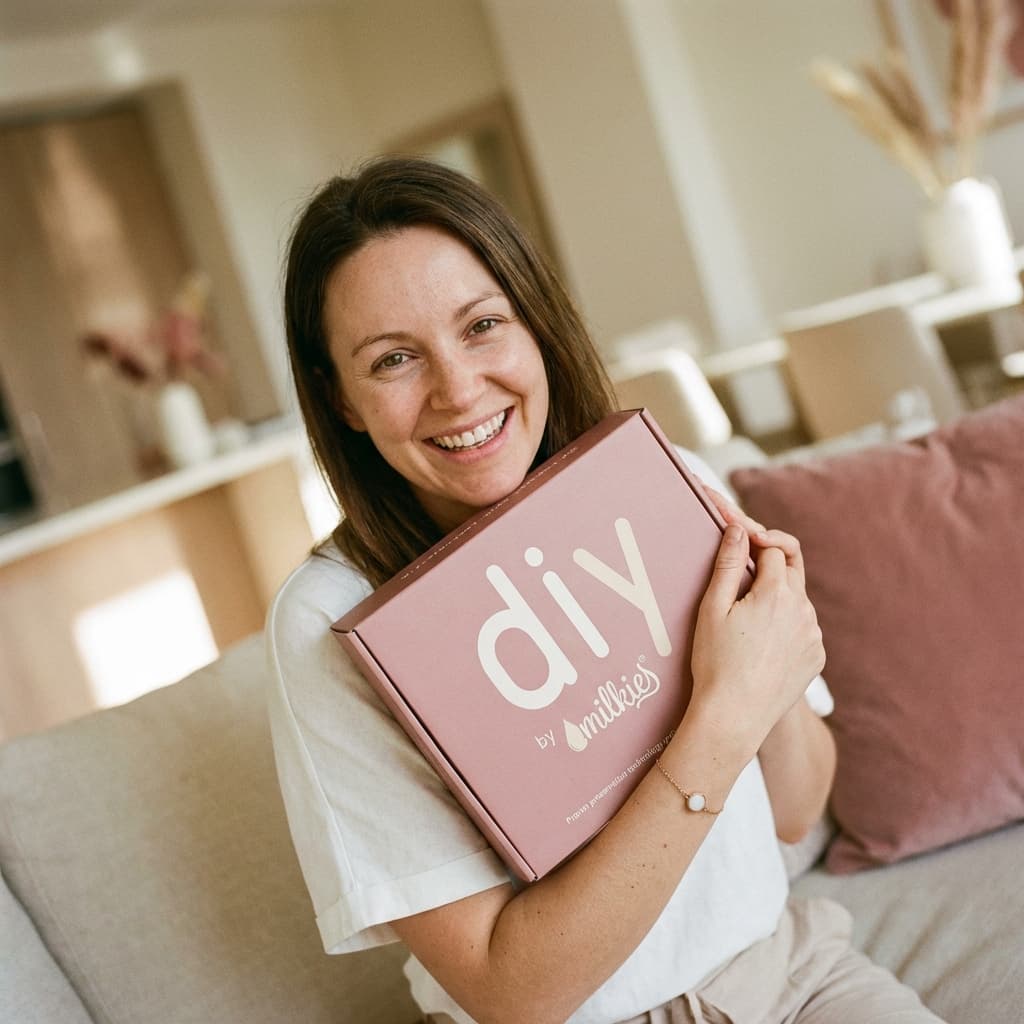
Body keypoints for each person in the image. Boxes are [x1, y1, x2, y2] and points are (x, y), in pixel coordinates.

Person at [266, 157, 944, 1023]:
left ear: (537, 323)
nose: (458, 389)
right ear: (344, 401)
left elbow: (797, 809)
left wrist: (772, 673)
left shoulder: (670, 481)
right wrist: (724, 717)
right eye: (395, 359)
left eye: (482, 326)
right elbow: (518, 993)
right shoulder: (328, 624)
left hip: (790, 974)